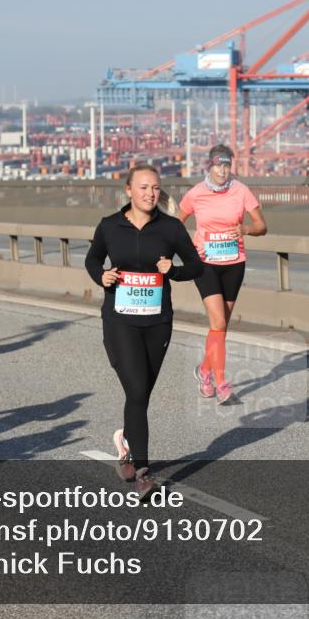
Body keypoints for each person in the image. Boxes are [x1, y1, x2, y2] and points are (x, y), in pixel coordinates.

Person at [85, 165, 202, 500]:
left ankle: (126, 444)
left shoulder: (171, 227)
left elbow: (195, 265)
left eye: (155, 188)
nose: (150, 194)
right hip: (120, 321)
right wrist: (102, 276)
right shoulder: (110, 226)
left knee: (140, 395)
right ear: (128, 190)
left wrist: (174, 271)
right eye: (143, 187)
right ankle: (143, 472)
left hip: (157, 323)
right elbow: (92, 260)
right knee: (136, 391)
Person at [177, 145, 266, 403]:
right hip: (205, 264)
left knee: (221, 326)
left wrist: (246, 230)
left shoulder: (241, 191)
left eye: (226, 165)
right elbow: (175, 224)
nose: (222, 170)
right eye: (218, 165)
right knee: (217, 322)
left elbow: (262, 226)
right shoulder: (196, 193)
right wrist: (187, 249)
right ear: (209, 166)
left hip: (234, 263)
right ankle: (221, 383)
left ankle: (205, 370)